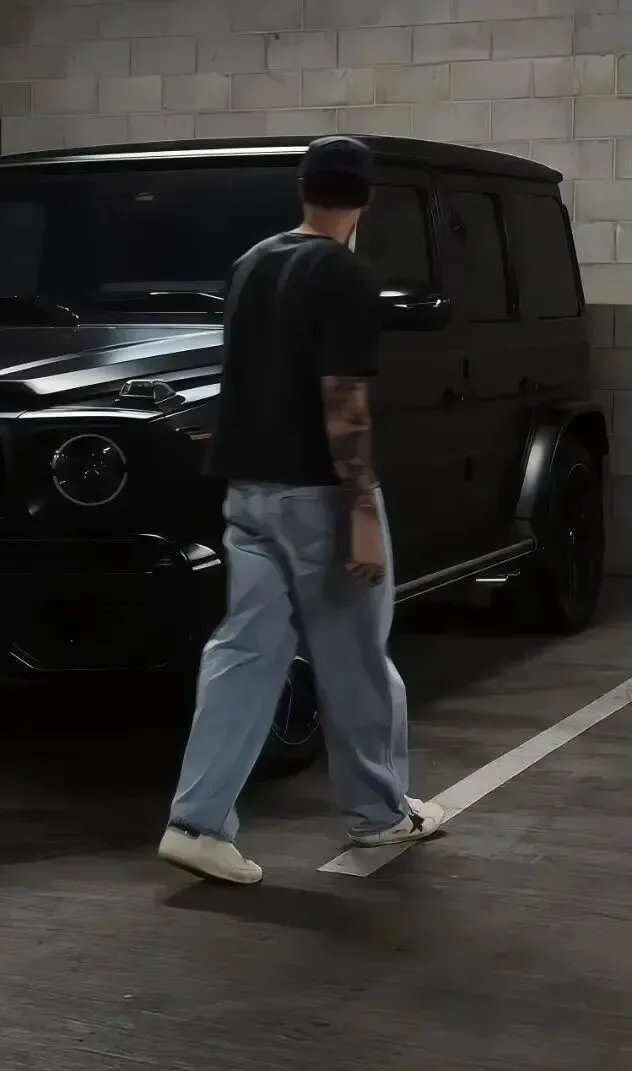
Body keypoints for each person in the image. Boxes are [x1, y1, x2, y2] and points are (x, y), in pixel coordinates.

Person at [158, 136, 445, 885]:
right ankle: (379, 814)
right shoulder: (345, 273)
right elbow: (343, 400)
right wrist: (360, 512)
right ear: (365, 199)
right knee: (356, 661)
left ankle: (195, 823)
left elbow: (245, 372)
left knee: (242, 655)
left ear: (303, 188)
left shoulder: (252, 263)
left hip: (248, 494)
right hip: (319, 499)